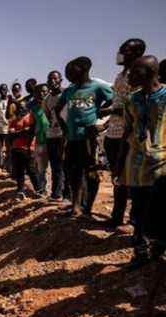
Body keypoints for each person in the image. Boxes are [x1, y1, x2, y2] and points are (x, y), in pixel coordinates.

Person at [122, 55, 166, 268]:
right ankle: (140, 252)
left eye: (135, 71)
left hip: (162, 167)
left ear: (150, 72)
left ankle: (158, 247)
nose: (130, 75)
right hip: (137, 166)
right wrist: (119, 164)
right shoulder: (132, 100)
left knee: (160, 211)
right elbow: (127, 131)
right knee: (138, 212)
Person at [55, 56, 114, 217]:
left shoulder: (98, 86)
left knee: (90, 172)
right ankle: (76, 205)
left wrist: (102, 123)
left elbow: (117, 104)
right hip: (73, 138)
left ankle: (87, 207)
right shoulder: (70, 90)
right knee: (73, 172)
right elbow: (58, 109)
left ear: (83, 69)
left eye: (71, 70)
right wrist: (65, 129)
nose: (67, 74)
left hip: (90, 140)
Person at [98, 39, 146, 228]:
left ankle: (134, 218)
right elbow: (117, 101)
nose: (120, 53)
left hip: (130, 134)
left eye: (125, 50)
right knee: (117, 176)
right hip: (114, 132)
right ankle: (117, 216)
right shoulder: (120, 75)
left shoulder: (140, 76)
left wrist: (110, 112)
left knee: (132, 176)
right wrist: (107, 122)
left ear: (137, 53)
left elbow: (134, 107)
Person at [9, 99, 41, 199]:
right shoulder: (14, 120)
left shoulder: (31, 117)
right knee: (19, 172)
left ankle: (39, 190)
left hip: (28, 149)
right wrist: (22, 132)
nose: (21, 108)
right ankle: (20, 191)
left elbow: (30, 132)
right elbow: (10, 134)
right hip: (16, 149)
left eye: (23, 106)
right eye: (19, 107)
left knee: (31, 170)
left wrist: (17, 132)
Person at [44, 70, 67, 201]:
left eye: (55, 79)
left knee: (65, 165)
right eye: (50, 79)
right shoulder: (47, 99)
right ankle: (56, 193)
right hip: (52, 135)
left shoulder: (66, 95)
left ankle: (66, 194)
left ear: (60, 80)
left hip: (64, 135)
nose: (52, 81)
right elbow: (47, 116)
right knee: (55, 165)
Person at [30, 84, 51, 196]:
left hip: (55, 139)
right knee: (41, 167)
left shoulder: (53, 103)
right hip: (40, 139)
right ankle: (42, 190)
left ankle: (59, 193)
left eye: (45, 91)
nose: (43, 94)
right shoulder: (32, 107)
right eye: (40, 92)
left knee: (57, 167)